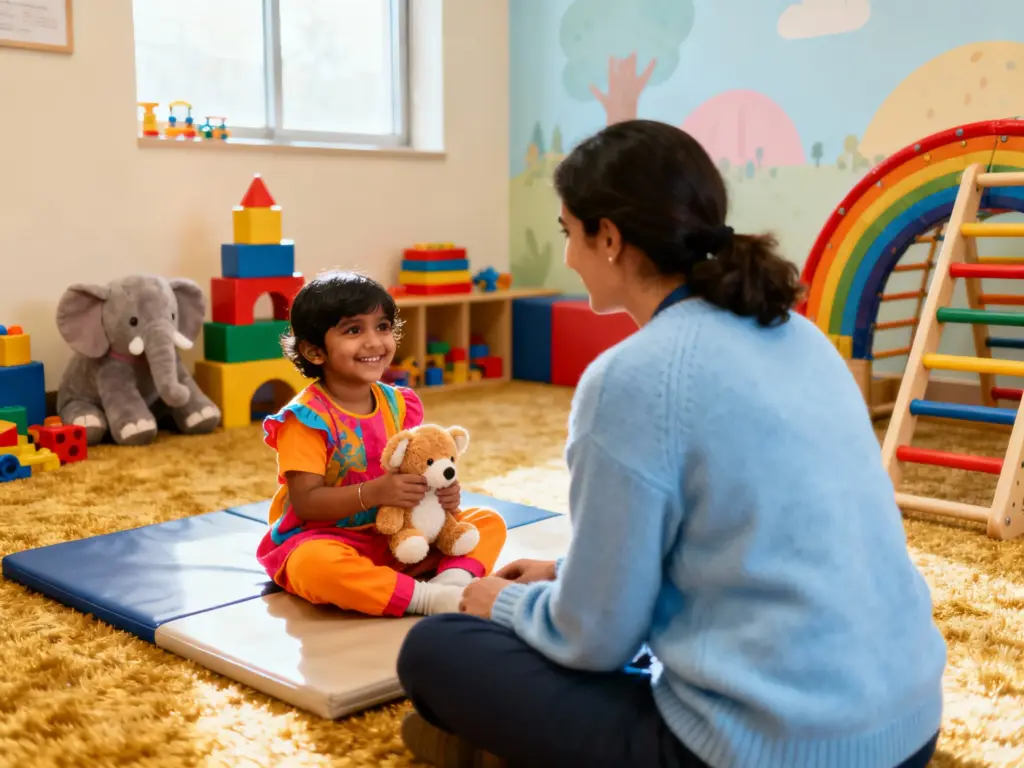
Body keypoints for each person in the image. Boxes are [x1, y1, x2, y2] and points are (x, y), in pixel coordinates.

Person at [395, 120, 946, 768]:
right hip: (908, 730)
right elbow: (746, 539)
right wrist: (567, 575)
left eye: (568, 232)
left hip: (767, 751)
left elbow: (593, 639)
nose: (567, 257)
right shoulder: (801, 336)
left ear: (609, 238)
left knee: (437, 648)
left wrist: (509, 604)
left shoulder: (630, 378)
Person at [255, 270, 507, 617]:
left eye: (383, 327)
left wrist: (443, 494)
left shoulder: (400, 404)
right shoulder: (306, 420)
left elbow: (419, 469)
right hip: (329, 539)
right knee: (313, 565)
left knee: (488, 521)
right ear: (314, 351)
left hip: (400, 534)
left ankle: (452, 581)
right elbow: (307, 503)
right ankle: (423, 598)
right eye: (353, 330)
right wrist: (373, 493)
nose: (375, 342)